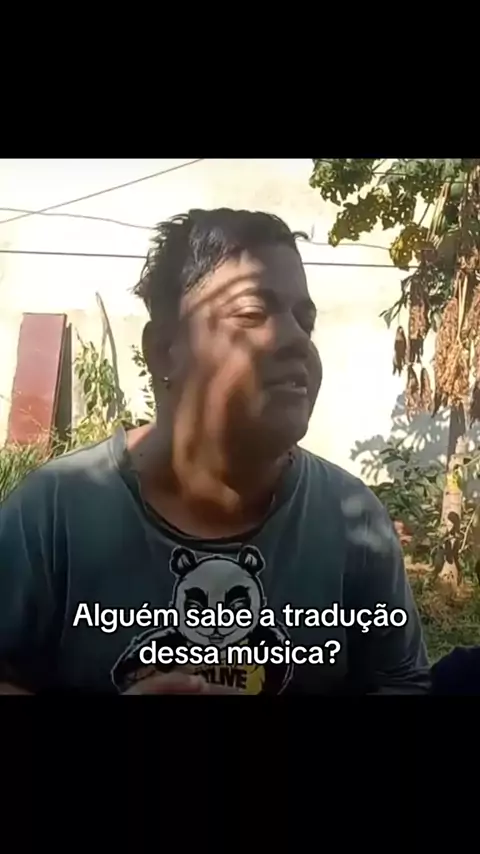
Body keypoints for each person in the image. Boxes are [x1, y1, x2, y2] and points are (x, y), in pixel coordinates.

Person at [0, 208, 430, 695]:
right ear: (164, 350)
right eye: (252, 314)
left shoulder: (353, 521)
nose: (296, 340)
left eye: (305, 321)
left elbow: (402, 685)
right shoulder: (54, 514)